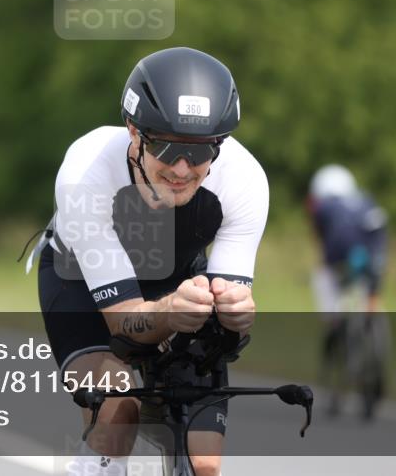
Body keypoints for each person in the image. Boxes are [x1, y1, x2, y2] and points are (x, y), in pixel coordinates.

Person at [30, 47, 269, 476]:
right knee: (117, 414)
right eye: (167, 146)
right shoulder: (86, 171)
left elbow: (226, 325)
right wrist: (170, 312)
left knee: (205, 462)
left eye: (199, 151)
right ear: (134, 132)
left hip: (178, 281)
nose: (182, 167)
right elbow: (124, 324)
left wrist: (235, 316)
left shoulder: (244, 179)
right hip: (80, 281)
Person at [306, 164, 388, 417]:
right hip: (372, 260)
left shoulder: (323, 207)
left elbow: (323, 243)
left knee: (325, 285)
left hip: (338, 262)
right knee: (370, 297)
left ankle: (334, 324)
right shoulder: (366, 200)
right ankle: (374, 317)